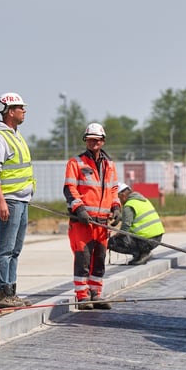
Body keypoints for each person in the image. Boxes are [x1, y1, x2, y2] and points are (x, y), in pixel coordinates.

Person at [0, 92, 36, 309]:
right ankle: (0, 294)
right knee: (5, 249)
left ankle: (11, 291)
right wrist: (2, 201)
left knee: (15, 249)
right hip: (10, 201)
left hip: (21, 200)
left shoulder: (15, 134)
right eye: (20, 107)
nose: (24, 110)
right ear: (9, 111)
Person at [64, 122, 120, 310]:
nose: (93, 143)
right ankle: (82, 296)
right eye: (89, 140)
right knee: (83, 258)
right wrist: (79, 209)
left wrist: (116, 206)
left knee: (100, 259)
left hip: (102, 223)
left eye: (96, 140)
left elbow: (113, 189)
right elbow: (69, 189)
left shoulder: (110, 164)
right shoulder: (76, 163)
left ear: (102, 141)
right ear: (85, 141)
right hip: (82, 222)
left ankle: (96, 293)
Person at [108, 182, 166, 265]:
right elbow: (134, 217)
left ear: (123, 195)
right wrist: (118, 218)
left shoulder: (129, 205)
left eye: (118, 198)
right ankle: (142, 253)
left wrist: (114, 237)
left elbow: (125, 230)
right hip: (157, 238)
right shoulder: (142, 200)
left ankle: (141, 254)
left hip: (146, 241)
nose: (119, 202)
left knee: (112, 242)